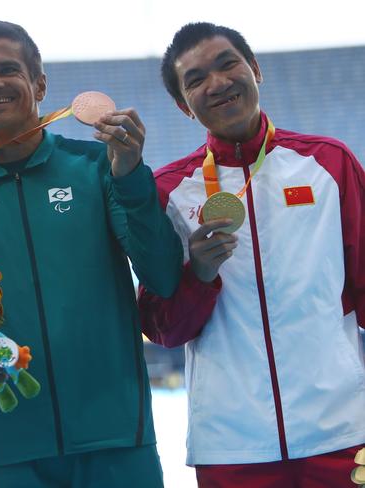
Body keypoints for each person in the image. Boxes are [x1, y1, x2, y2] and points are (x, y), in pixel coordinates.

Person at [0, 19, 183, 488]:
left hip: (118, 440)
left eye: (7, 70)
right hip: (13, 452)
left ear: (39, 83)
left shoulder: (99, 168)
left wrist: (131, 177)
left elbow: (162, 274)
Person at [138, 22, 365, 487]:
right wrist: (199, 275)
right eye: (196, 79)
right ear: (183, 106)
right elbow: (161, 328)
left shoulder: (329, 164)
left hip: (341, 431)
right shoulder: (168, 192)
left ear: (255, 70)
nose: (218, 83)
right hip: (231, 443)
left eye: (228, 64)